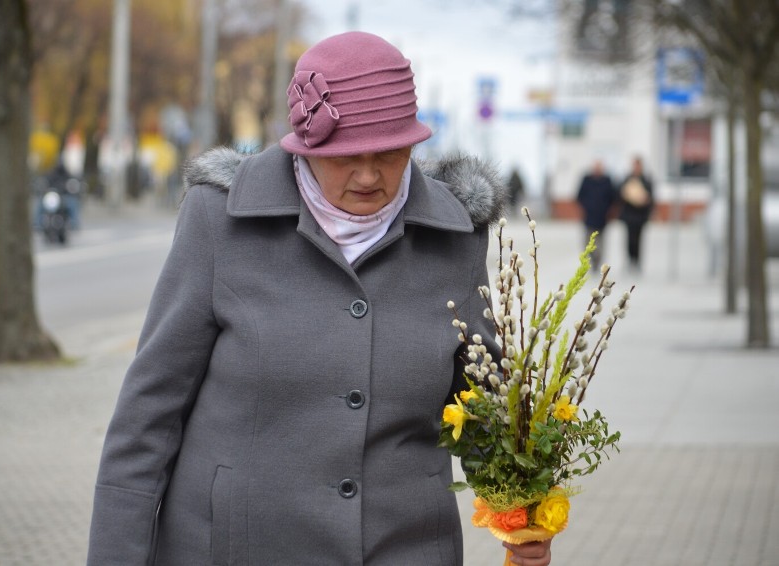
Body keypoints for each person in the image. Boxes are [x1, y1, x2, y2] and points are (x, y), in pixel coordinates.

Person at [87, 31, 552, 566]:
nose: (370, 175)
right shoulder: (220, 221)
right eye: (348, 155)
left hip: (405, 548)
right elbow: (148, 414)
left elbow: (483, 411)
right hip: (238, 549)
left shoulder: (455, 236)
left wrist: (523, 507)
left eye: (391, 152)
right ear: (305, 146)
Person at [576, 159, 617, 270]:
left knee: (601, 243)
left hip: (602, 217)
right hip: (589, 217)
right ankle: (589, 259)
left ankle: (597, 261)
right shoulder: (587, 180)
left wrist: (610, 211)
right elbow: (579, 196)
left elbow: (613, 198)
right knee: (588, 241)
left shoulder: (607, 181)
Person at [618, 156, 654, 272]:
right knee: (629, 239)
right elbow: (620, 193)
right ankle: (630, 259)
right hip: (629, 214)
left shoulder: (646, 180)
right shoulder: (628, 179)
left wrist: (644, 200)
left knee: (639, 239)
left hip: (640, 215)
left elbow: (651, 197)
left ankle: (637, 261)